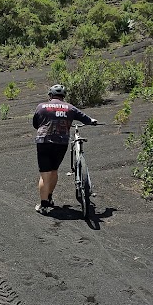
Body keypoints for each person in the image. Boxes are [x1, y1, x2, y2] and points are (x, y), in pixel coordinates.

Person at [32, 83, 97, 214]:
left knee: (45, 174)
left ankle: (43, 205)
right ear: (63, 96)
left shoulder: (41, 107)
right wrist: (92, 121)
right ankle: (49, 197)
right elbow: (86, 119)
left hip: (44, 141)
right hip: (61, 143)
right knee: (54, 170)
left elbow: (35, 123)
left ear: (50, 95)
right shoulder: (69, 108)